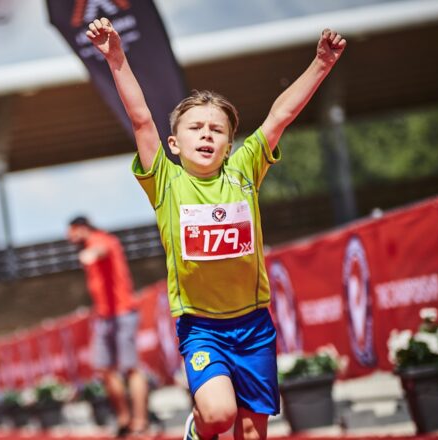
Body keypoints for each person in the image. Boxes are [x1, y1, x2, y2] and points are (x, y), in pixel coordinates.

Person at [85, 17, 346, 440]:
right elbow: (141, 120)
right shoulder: (166, 182)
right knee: (219, 413)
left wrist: (321, 64)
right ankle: (198, 429)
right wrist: (116, 57)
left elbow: (280, 115)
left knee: (251, 430)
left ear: (229, 145)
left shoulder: (244, 171)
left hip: (254, 325)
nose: (206, 134)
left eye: (217, 129)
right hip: (202, 326)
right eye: (195, 128)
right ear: (174, 144)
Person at [67, 216, 148, 436]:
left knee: (131, 368)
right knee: (103, 369)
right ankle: (124, 418)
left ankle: (140, 422)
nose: (70, 239)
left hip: (123, 313)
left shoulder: (102, 240)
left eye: (72, 233)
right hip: (104, 316)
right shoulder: (91, 243)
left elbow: (102, 250)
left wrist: (91, 254)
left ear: (81, 228)